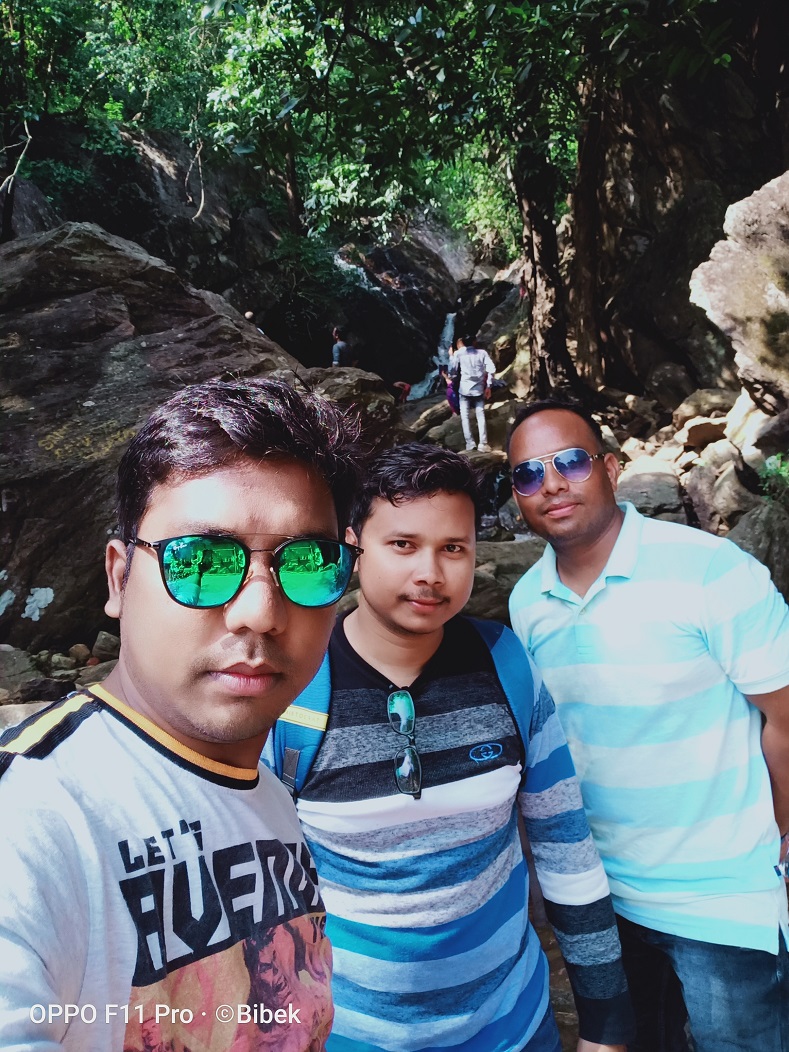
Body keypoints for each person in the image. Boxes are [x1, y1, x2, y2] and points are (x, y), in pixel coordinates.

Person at [0, 378, 364, 1052]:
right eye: (200, 561)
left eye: (308, 564)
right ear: (118, 578)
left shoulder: (270, 797)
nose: (259, 611)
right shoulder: (33, 815)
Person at [265, 443, 634, 1052]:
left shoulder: (507, 665)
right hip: (347, 1033)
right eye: (403, 544)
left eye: (453, 548)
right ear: (353, 547)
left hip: (513, 1028)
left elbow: (565, 847)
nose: (430, 573)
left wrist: (606, 1023)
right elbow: (257, 896)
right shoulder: (293, 689)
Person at [507, 399, 789, 1052]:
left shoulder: (711, 570)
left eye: (570, 462)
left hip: (723, 899)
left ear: (610, 469)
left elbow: (784, 714)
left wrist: (782, 836)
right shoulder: (526, 603)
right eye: (527, 473)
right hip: (601, 899)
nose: (551, 484)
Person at [450, 335, 495, 452]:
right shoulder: (482, 353)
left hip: (464, 389)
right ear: (474, 342)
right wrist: (488, 386)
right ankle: (483, 444)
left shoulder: (459, 354)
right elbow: (491, 369)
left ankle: (470, 443)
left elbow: (453, 371)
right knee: (480, 415)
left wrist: (451, 357)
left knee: (464, 416)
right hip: (478, 390)